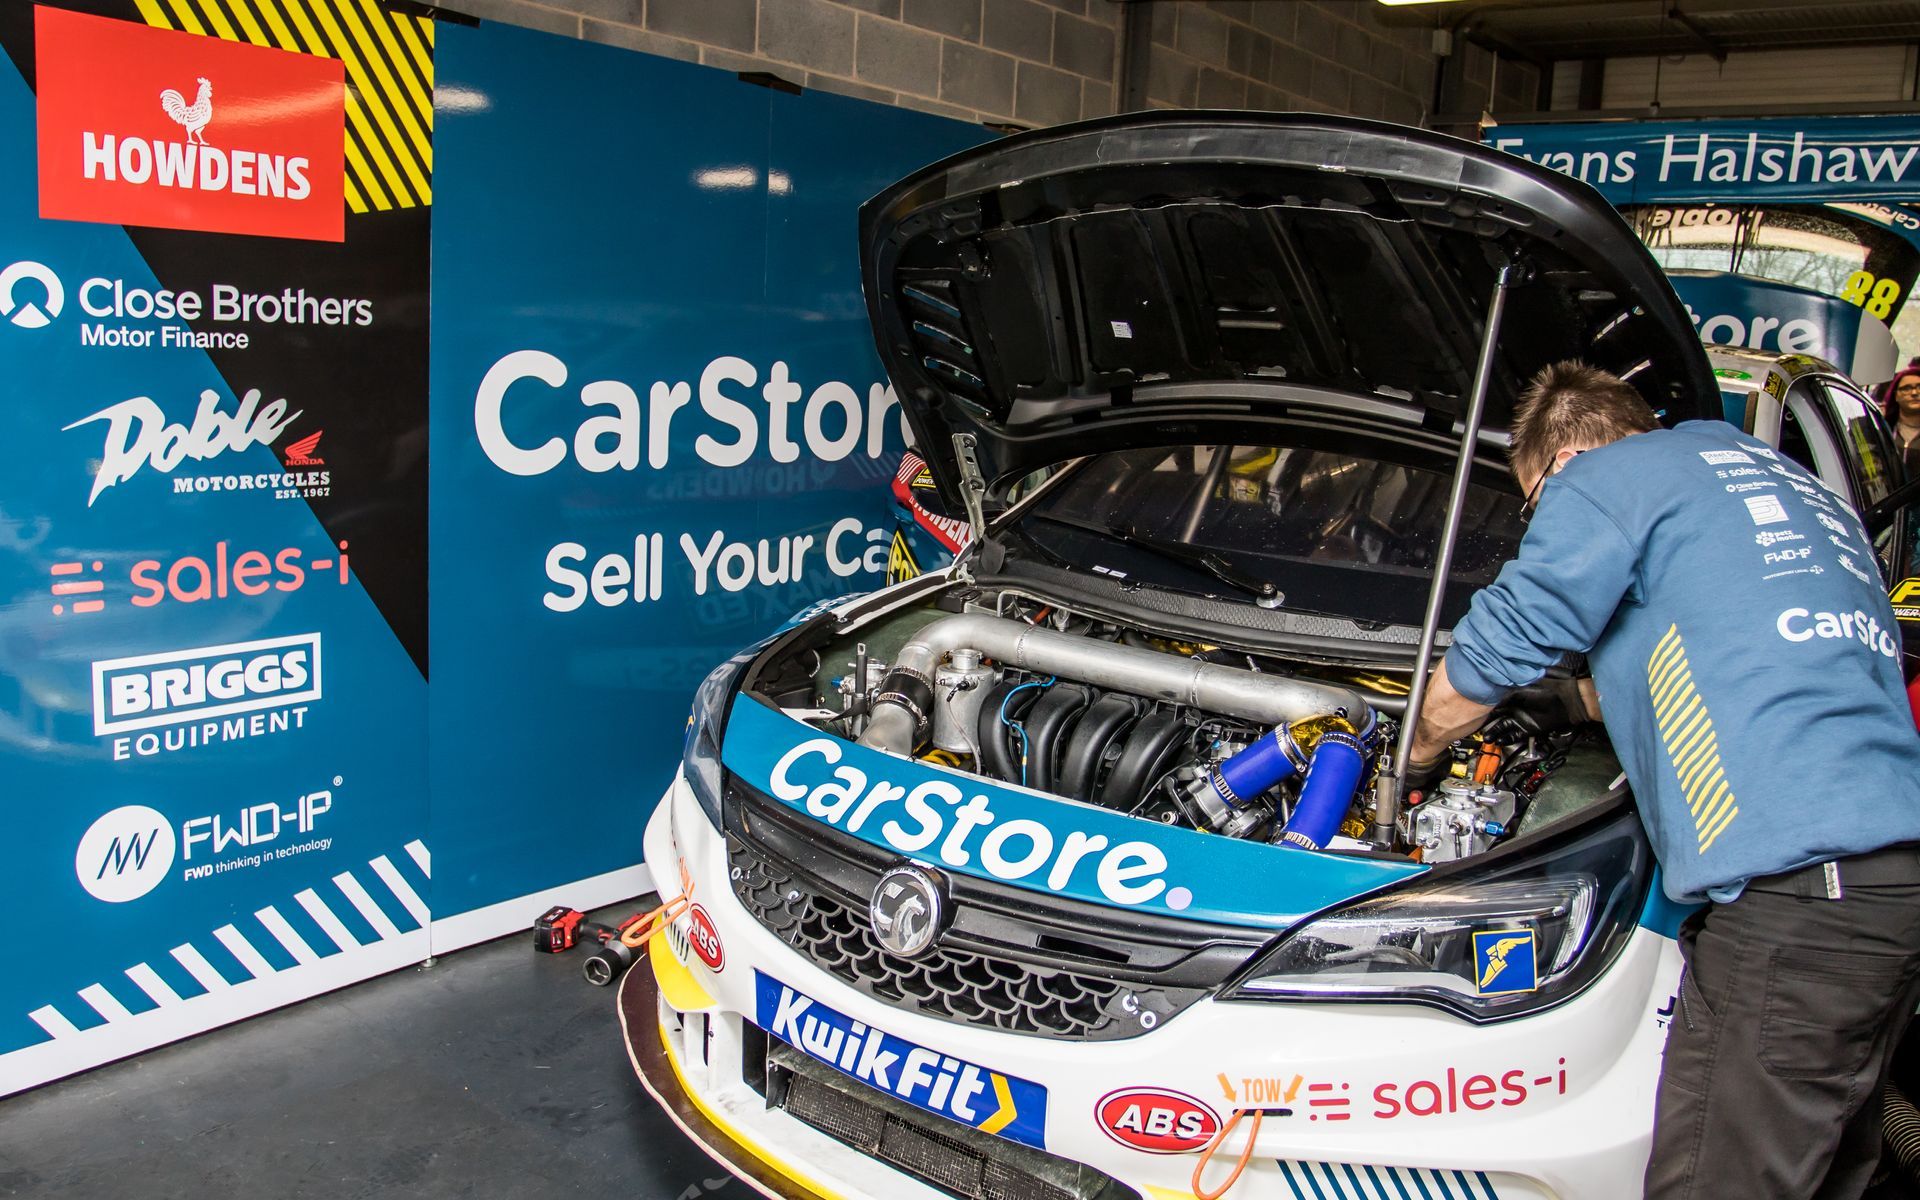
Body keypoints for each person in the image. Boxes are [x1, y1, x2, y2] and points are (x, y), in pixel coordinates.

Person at [1407, 360, 1920, 1199]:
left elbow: (1495, 649)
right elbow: (1706, 655)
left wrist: (1417, 758)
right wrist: (1567, 703)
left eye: (1534, 505)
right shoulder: (1786, 490)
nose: (1543, 519)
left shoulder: (1607, 479)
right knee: (1830, 1176)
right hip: (1887, 881)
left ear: (1563, 463)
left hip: (1800, 898)